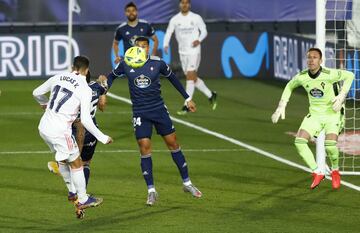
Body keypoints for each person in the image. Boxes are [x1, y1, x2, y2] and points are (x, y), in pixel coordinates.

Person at [106, 36, 202, 206]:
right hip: (140, 112)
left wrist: (187, 98)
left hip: (158, 110)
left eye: (145, 46)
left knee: (173, 144)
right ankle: (151, 190)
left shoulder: (158, 63)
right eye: (139, 46)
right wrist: (103, 92)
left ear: (149, 48)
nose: (142, 48)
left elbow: (173, 79)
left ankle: (187, 183)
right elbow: (111, 77)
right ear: (134, 47)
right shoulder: (126, 63)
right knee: (144, 148)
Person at [33, 56, 113, 213]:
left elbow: (36, 92)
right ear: (87, 70)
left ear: (73, 67)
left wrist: (44, 103)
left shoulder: (59, 76)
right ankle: (83, 199)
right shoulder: (85, 89)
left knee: (63, 159)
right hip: (60, 132)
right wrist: (102, 137)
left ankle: (71, 191)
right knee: (77, 163)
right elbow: (85, 119)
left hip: (44, 127)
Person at [271, 48, 354, 190]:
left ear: (321, 61)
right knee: (299, 142)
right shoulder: (302, 76)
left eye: (315, 57)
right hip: (314, 115)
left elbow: (350, 75)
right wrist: (282, 105)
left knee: (330, 145)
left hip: (332, 114)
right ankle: (317, 172)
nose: (311, 60)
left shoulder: (330, 74)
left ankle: (335, 170)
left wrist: (341, 95)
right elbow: (290, 85)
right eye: (309, 57)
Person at [48, 72, 108, 189]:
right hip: (92, 131)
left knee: (74, 163)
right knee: (85, 163)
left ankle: (62, 169)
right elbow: (102, 106)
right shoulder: (96, 88)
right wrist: (103, 85)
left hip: (74, 129)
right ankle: (83, 194)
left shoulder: (75, 89)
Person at [163, 0, 217, 115]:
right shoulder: (175, 19)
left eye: (186, 2)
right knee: (192, 78)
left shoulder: (196, 17)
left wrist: (199, 40)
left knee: (190, 76)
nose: (184, 4)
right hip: (182, 52)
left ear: (189, 5)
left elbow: (204, 31)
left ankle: (186, 104)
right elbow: (168, 32)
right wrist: (165, 44)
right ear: (179, 4)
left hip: (194, 51)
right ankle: (211, 95)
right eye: (182, 2)